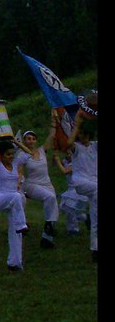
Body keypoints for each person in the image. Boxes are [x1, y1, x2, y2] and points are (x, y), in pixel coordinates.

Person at [0, 135, 30, 271]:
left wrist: (15, 142)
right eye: (8, 154)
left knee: (15, 232)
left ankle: (15, 262)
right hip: (2, 198)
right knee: (17, 196)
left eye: (12, 154)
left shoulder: (15, 164)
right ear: (1, 155)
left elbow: (29, 153)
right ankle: (22, 224)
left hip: (13, 203)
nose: (11, 157)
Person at [13, 114, 60, 249]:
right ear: (24, 140)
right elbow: (19, 171)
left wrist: (53, 121)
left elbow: (52, 136)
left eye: (33, 139)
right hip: (32, 184)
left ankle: (47, 238)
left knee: (53, 205)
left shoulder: (42, 150)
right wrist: (18, 184)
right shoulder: (23, 155)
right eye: (28, 138)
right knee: (50, 198)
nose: (31, 141)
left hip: (47, 183)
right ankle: (49, 226)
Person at [67, 111, 97, 262]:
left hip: (94, 185)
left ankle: (95, 249)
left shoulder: (94, 146)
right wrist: (77, 124)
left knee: (96, 216)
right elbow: (69, 143)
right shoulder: (77, 148)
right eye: (81, 134)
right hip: (80, 182)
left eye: (85, 134)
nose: (82, 137)